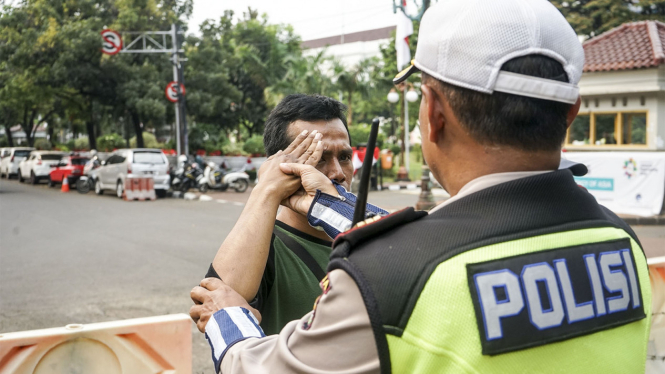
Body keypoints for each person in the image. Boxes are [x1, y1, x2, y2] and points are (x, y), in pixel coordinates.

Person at [190, 0, 652, 372]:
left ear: (432, 114)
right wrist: (316, 203)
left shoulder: (390, 279)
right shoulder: (620, 241)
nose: (335, 169)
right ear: (570, 113)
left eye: (342, 155)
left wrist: (226, 319)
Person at [202, 94, 386, 335]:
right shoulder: (265, 249)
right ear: (283, 168)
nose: (339, 172)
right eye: (319, 158)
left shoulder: (370, 235)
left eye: (344, 157)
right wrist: (267, 190)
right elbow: (220, 306)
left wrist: (329, 206)